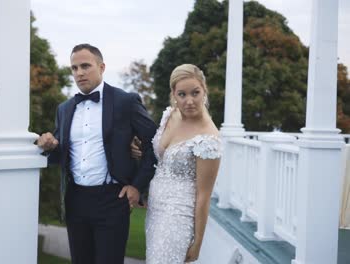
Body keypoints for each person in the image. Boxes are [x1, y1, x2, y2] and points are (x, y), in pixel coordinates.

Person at [37, 43, 157, 264]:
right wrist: (51, 146)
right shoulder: (64, 109)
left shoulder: (126, 101)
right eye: (74, 68)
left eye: (85, 66)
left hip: (112, 198)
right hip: (75, 199)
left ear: (101, 67)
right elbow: (60, 154)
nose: (79, 73)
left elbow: (155, 144)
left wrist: (137, 186)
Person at [133, 64, 221, 263]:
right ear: (174, 93)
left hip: (178, 217)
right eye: (182, 94)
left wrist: (198, 242)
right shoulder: (170, 115)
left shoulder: (209, 139)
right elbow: (159, 158)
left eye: (195, 93)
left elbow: (203, 196)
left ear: (204, 90)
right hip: (155, 209)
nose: (189, 101)